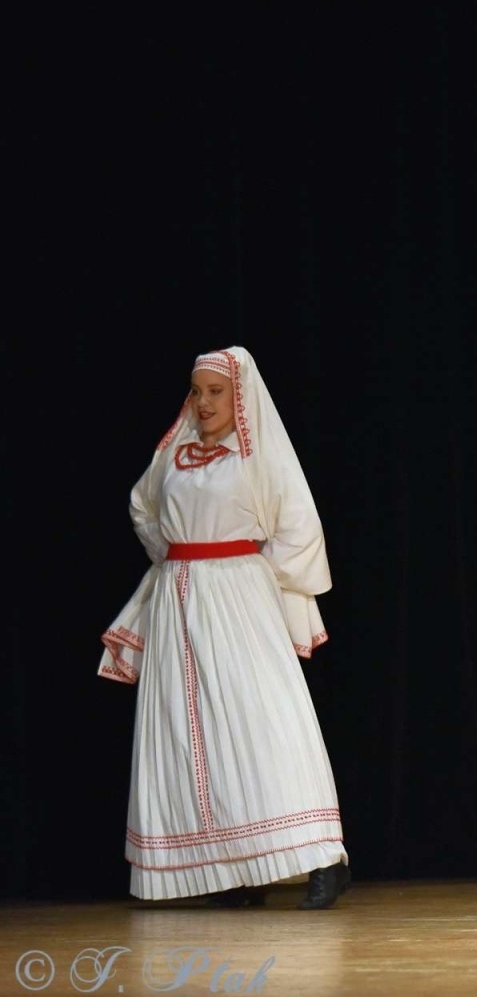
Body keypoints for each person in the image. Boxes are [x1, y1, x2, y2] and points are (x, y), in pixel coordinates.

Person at [99, 347, 350, 909]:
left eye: (216, 392)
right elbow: (143, 506)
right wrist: (175, 557)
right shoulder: (177, 453)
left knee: (263, 723)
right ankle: (231, 869)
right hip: (179, 597)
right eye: (197, 391)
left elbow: (299, 526)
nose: (204, 402)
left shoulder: (255, 455)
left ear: (239, 397)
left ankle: (321, 857)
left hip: (237, 596)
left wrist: (258, 578)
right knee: (191, 730)